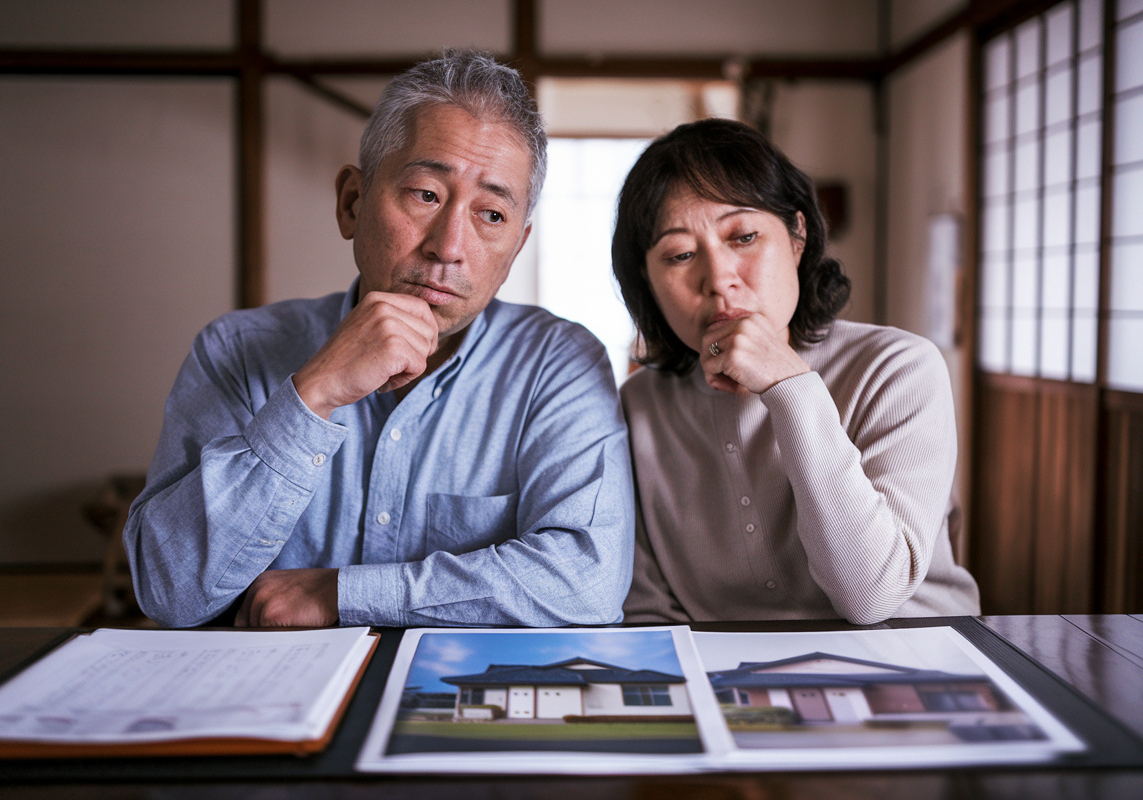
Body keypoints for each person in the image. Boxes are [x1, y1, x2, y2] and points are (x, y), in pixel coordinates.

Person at [124, 50, 634, 629]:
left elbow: (586, 585)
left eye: (492, 215)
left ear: (517, 247)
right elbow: (169, 592)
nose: (449, 246)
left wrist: (340, 594)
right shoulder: (236, 350)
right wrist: (311, 396)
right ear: (352, 202)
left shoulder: (556, 364)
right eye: (425, 194)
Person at [612, 118, 979, 625]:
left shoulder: (899, 370)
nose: (719, 280)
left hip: (921, 656)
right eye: (680, 254)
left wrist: (792, 389)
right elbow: (646, 609)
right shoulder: (639, 405)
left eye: (743, 237)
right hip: (728, 681)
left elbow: (870, 595)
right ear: (646, 283)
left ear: (797, 237)